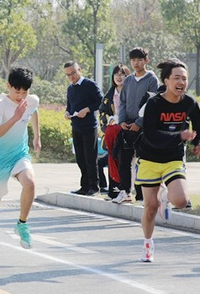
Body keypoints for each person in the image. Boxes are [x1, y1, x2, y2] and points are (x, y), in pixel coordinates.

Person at [134, 59, 200, 262]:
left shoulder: (189, 103)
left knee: (181, 201)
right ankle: (148, 243)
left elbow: (199, 122)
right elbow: (150, 135)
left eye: (184, 78)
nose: (181, 81)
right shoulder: (154, 104)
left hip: (173, 158)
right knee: (150, 208)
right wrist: (179, 137)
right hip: (149, 158)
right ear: (166, 81)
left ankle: (166, 197)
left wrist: (196, 141)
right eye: (176, 78)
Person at [0, 67, 41, 258]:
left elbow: (34, 111)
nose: (21, 96)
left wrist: (37, 136)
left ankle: (22, 224)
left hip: (19, 154)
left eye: (25, 92)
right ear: (8, 86)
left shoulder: (31, 100)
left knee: (30, 183)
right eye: (17, 91)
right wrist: (15, 117)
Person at [114, 47, 160, 204]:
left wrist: (139, 123)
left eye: (139, 59)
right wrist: (122, 122)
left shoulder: (152, 80)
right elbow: (123, 103)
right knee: (124, 160)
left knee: (143, 162)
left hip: (144, 128)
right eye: (133, 60)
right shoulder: (128, 80)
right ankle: (125, 191)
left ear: (146, 60)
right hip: (127, 127)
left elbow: (152, 104)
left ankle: (142, 195)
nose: (136, 63)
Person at [64, 61, 103, 196]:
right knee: (80, 158)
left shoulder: (89, 85)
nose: (71, 77)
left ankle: (94, 186)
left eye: (73, 73)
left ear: (79, 70)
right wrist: (67, 113)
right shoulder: (70, 89)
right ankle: (84, 186)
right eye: (68, 75)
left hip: (89, 126)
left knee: (90, 157)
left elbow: (100, 101)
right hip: (76, 126)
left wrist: (87, 109)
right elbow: (69, 105)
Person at [99, 64, 131, 199]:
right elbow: (102, 112)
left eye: (122, 74)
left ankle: (126, 190)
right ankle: (113, 189)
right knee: (111, 158)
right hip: (112, 131)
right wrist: (108, 123)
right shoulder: (109, 95)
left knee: (122, 160)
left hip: (127, 131)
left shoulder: (130, 91)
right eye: (116, 74)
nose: (119, 77)